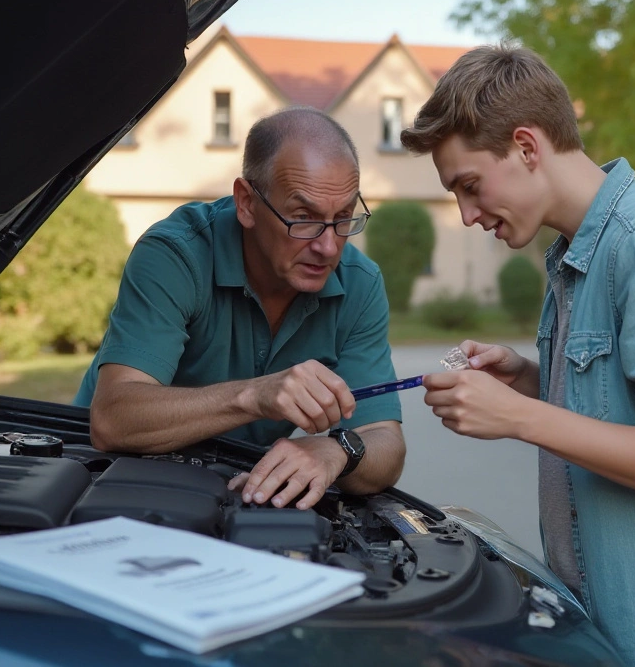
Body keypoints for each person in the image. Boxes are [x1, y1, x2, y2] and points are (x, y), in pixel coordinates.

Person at [400, 45, 635, 667]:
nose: (467, 215)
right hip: (620, 632)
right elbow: (627, 409)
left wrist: (520, 419)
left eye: (469, 187)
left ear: (527, 147)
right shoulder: (578, 251)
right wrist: (528, 383)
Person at [75, 106, 405, 511]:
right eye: (303, 218)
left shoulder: (360, 283)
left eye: (344, 218)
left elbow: (385, 441)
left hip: (232, 490)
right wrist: (255, 395)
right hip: (104, 478)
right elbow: (112, 420)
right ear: (246, 203)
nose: (328, 246)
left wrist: (339, 450)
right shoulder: (175, 255)